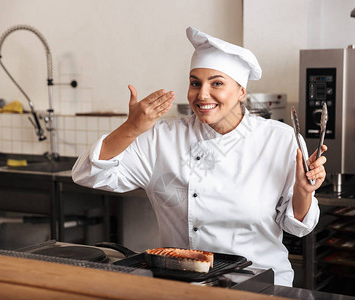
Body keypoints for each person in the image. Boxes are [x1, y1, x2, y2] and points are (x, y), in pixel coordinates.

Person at [72, 26, 327, 286]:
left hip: (260, 283)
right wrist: (131, 128)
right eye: (195, 83)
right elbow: (88, 174)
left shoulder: (279, 139)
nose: (202, 94)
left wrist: (304, 192)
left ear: (241, 92)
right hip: (185, 284)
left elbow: (297, 226)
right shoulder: (163, 137)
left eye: (216, 83)